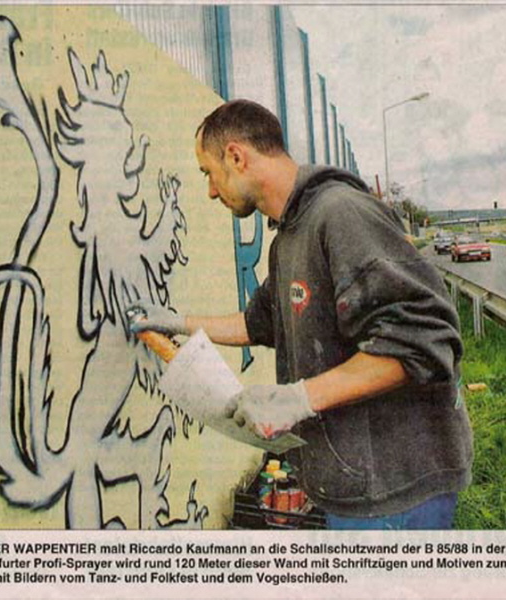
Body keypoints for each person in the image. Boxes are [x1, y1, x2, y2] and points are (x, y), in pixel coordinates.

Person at [129, 99, 473, 529]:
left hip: (394, 492)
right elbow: (255, 323)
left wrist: (298, 399)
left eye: (208, 173)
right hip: (354, 486)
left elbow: (423, 343)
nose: (211, 191)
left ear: (235, 157)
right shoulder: (289, 239)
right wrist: (177, 323)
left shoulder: (341, 215)